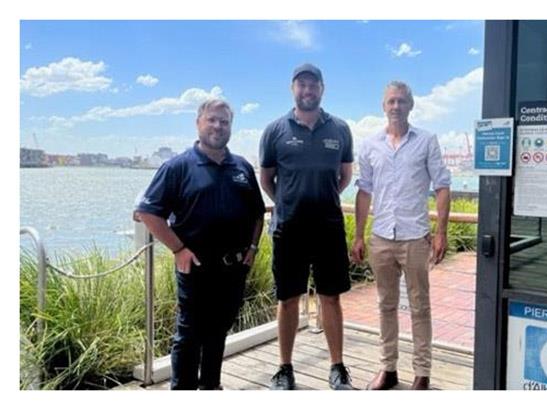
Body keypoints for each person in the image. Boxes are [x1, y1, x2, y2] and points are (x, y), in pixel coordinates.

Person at [135, 99, 265, 390]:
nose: (218, 126)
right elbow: (147, 212)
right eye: (212, 120)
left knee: (219, 331)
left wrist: (253, 249)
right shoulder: (178, 166)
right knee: (189, 335)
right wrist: (178, 248)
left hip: (234, 269)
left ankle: (211, 387)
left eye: (224, 121)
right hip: (196, 268)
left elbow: (258, 213)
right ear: (199, 123)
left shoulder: (242, 167)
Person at [259, 63, 354, 390]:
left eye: (313, 85)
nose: (307, 90)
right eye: (301, 85)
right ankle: (284, 368)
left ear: (322, 89)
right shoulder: (274, 130)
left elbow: (345, 175)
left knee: (331, 298)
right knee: (287, 299)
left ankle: (337, 367)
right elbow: (266, 179)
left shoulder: (340, 129)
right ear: (293, 89)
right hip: (289, 229)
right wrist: (290, 200)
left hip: (328, 227)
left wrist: (320, 197)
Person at [352, 81, 451, 390]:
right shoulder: (369, 145)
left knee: (420, 307)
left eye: (402, 101)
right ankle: (388, 368)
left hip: (416, 236)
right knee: (385, 305)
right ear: (383, 106)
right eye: (391, 101)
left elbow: (442, 186)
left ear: (411, 105)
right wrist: (358, 236)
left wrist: (441, 232)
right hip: (381, 237)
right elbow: (364, 191)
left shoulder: (426, 141)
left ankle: (422, 373)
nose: (396, 106)